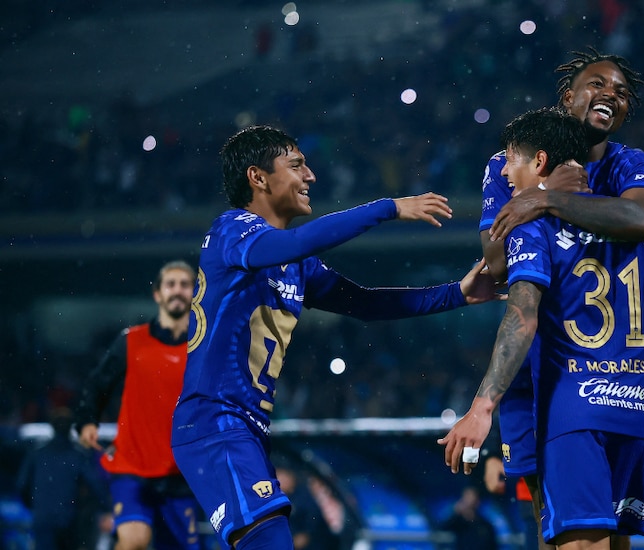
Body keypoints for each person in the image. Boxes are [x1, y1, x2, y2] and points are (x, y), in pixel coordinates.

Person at [171, 124, 502, 550]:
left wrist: (455, 293)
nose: (310, 176)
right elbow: (296, 243)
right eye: (296, 166)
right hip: (215, 421)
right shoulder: (230, 230)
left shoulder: (297, 264)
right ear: (258, 178)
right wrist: (387, 207)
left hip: (247, 427)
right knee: (268, 539)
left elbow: (365, 304)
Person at [441, 107, 644, 550]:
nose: (502, 169)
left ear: (539, 162)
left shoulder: (533, 223)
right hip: (632, 413)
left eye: (509, 159)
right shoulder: (640, 225)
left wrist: (482, 407)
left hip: (571, 413)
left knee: (571, 542)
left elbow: (522, 315)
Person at [72, 260, 201, 550]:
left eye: (184, 284)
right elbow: (96, 384)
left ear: (194, 293)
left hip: (182, 474)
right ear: (157, 294)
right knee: (133, 541)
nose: (177, 291)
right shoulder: (132, 341)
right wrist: (86, 421)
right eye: (170, 284)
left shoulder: (202, 347)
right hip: (132, 468)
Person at [16, 407, 111, 550]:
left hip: (43, 519)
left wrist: (35, 506)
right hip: (68, 520)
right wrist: (108, 508)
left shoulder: (37, 455)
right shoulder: (77, 456)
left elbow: (22, 485)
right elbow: (95, 485)